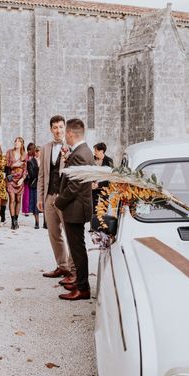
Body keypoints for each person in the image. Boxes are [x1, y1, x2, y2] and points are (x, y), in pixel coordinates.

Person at [56, 118, 94, 301]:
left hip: (75, 208)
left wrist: (59, 201)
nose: (65, 137)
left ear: (70, 133)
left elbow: (75, 186)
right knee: (78, 247)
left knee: (77, 249)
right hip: (77, 206)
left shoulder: (80, 154)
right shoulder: (84, 150)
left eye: (66, 134)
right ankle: (79, 280)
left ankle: (83, 288)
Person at [37, 115, 76, 283]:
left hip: (65, 198)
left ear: (65, 128)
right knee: (54, 233)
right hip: (49, 196)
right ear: (51, 129)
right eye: (55, 127)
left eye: (61, 127)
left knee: (70, 234)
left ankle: (74, 271)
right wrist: (40, 197)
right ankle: (62, 266)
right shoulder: (45, 148)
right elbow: (41, 175)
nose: (58, 130)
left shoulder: (72, 148)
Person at [5, 137, 28, 230]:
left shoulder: (24, 154)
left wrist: (23, 179)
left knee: (18, 200)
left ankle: (16, 220)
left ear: (22, 144)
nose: (16, 143)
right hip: (11, 178)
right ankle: (12, 221)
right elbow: (5, 164)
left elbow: (25, 169)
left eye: (18, 141)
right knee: (12, 199)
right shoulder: (9, 152)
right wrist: (13, 165)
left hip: (20, 179)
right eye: (15, 141)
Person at [91, 142, 114, 231]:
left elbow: (109, 177)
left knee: (103, 207)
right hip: (93, 188)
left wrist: (98, 185)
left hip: (104, 188)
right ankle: (93, 227)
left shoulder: (109, 161)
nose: (95, 152)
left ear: (102, 151)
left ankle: (102, 226)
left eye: (96, 150)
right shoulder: (92, 160)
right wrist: (91, 183)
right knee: (93, 208)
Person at [25, 143, 41, 229]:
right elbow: (32, 174)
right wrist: (40, 169)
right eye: (37, 151)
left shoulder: (45, 161)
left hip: (43, 185)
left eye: (40, 151)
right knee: (35, 203)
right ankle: (37, 222)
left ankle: (46, 222)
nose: (38, 153)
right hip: (34, 184)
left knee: (45, 203)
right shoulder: (30, 162)